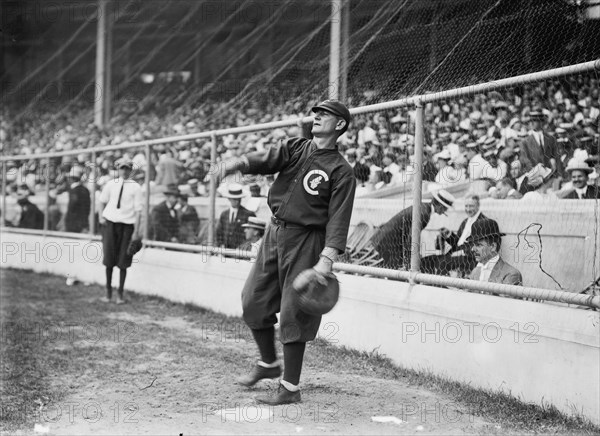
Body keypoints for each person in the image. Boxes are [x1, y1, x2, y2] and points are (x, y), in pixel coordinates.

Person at [218, 99, 356, 405]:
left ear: (340, 125)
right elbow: (266, 159)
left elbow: (339, 219)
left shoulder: (342, 171)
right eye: (317, 112)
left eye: (326, 114)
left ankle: (290, 388)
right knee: (252, 300)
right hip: (275, 231)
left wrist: (326, 261)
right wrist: (236, 163)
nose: (317, 116)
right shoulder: (297, 147)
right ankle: (269, 364)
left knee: (296, 311)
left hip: (307, 240)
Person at [371, 189, 455, 271]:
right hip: (390, 244)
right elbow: (412, 237)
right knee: (397, 274)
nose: (445, 211)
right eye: (446, 208)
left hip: (385, 239)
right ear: (440, 206)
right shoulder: (425, 214)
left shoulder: (423, 207)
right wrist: (410, 260)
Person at [98, 158, 143, 304]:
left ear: (131, 170)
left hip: (127, 226)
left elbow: (138, 211)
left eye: (127, 168)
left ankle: (120, 294)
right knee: (109, 259)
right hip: (110, 223)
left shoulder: (136, 187)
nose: (124, 171)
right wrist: (101, 217)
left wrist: (136, 231)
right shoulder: (110, 184)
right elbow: (102, 200)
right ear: (118, 169)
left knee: (124, 259)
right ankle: (108, 293)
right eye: (122, 168)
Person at [422, 194, 486, 276]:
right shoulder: (466, 221)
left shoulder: (484, 222)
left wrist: (461, 251)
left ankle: (439, 285)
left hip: (470, 258)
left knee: (443, 263)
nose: (468, 209)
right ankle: (428, 284)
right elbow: (457, 242)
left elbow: (480, 246)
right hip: (456, 255)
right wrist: (448, 235)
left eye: (471, 206)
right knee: (426, 260)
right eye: (466, 206)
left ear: (478, 206)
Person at [466, 218, 522, 286]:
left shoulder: (511, 274)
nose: (472, 249)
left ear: (492, 246)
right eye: (473, 244)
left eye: (478, 245)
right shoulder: (475, 272)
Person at [215, 183, 256, 249]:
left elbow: (252, 236)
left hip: (241, 252)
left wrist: (244, 247)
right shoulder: (224, 214)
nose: (237, 201)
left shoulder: (248, 214)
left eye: (239, 199)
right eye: (234, 199)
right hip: (226, 251)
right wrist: (221, 245)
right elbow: (219, 233)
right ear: (229, 199)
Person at [64, 165, 91, 233]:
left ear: (72, 178)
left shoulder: (74, 191)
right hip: (82, 223)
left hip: (73, 224)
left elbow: (72, 207)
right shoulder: (85, 189)